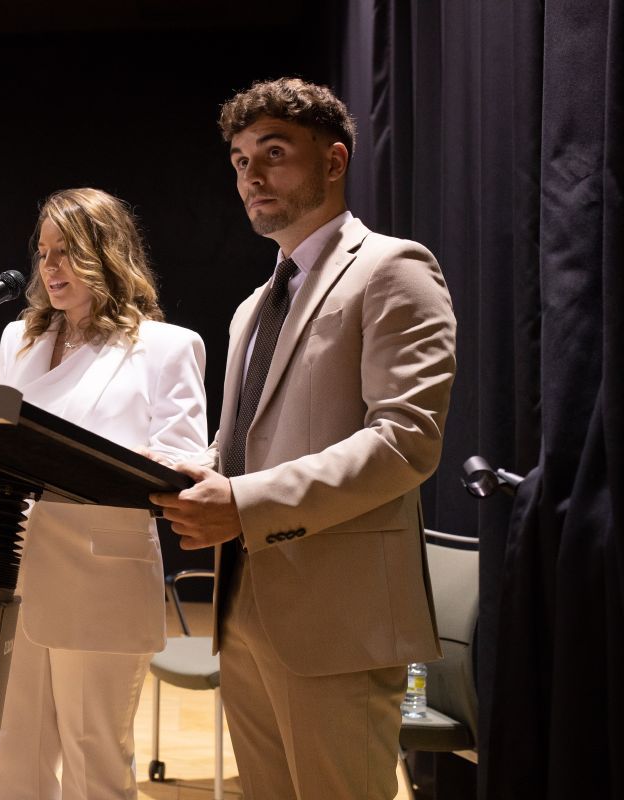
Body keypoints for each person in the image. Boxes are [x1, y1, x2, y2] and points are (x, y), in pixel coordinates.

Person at [150, 78, 458, 799]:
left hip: (338, 619)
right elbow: (243, 448)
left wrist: (246, 501)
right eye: (238, 160)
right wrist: (187, 470)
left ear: (334, 160)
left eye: (275, 153)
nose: (251, 176)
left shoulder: (393, 269)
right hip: (244, 608)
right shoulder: (251, 307)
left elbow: (406, 442)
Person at [0, 187, 209, 800]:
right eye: (43, 253)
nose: (50, 268)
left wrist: (111, 464)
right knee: (10, 756)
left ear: (107, 254)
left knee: (96, 765)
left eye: (67, 252)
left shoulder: (165, 346)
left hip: (99, 577)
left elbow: (186, 457)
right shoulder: (19, 339)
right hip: (10, 565)